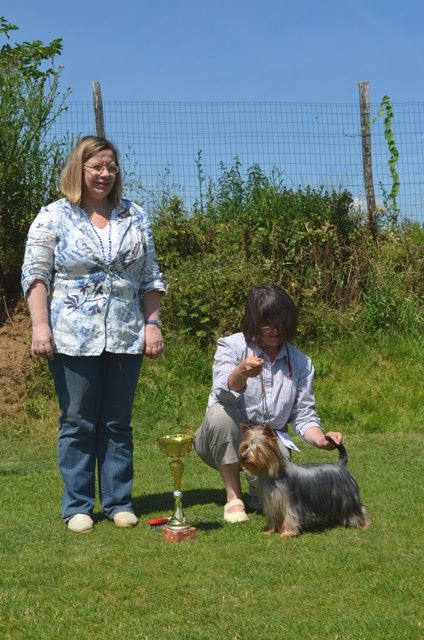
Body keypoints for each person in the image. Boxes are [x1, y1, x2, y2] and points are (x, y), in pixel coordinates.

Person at [21, 135, 167, 533]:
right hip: (71, 337)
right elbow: (36, 275)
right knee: (78, 422)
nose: (104, 174)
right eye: (96, 167)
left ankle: (120, 501)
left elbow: (150, 276)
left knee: (118, 423)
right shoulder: (53, 216)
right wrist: (40, 326)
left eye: (110, 167)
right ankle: (78, 506)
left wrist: (152, 324)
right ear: (79, 169)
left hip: (125, 334)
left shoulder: (135, 215)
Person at [194, 283, 344, 523]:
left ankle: (259, 493)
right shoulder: (231, 346)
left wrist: (322, 439)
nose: (275, 330)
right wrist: (240, 373)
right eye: (267, 323)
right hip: (224, 437)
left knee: (273, 481)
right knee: (219, 414)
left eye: (281, 322)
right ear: (253, 322)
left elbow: (304, 416)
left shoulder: (301, 362)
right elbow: (221, 393)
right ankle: (234, 497)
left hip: (269, 445)